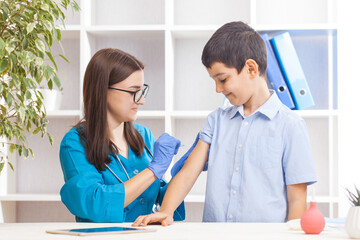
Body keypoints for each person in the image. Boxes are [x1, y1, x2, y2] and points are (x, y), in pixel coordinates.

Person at [132, 21, 317, 226]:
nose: (218, 89)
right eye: (214, 80)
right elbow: (187, 173)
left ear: (251, 68)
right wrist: (166, 211)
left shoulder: (290, 126)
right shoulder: (217, 120)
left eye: (222, 79)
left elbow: (297, 199)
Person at [59, 48, 185, 223]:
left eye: (142, 91)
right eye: (133, 92)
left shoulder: (143, 136)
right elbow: (94, 202)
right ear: (104, 90)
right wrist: (153, 170)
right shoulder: (75, 143)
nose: (142, 101)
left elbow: (157, 198)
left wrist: (183, 171)